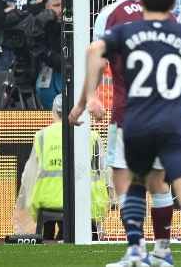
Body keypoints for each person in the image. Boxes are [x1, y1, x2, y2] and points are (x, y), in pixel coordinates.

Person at [69, 0, 181, 267]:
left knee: (133, 183)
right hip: (173, 123)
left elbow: (92, 50)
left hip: (134, 121)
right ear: (174, 3)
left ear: (142, 1)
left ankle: (136, 249)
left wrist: (89, 98)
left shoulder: (126, 30)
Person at [91, 0, 178, 267]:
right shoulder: (167, 15)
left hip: (127, 114)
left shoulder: (109, 15)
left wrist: (89, 97)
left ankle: (136, 253)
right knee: (158, 182)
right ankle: (163, 255)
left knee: (127, 182)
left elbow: (96, 59)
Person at [14, 95, 109, 240]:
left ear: (54, 112)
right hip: (85, 200)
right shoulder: (92, 136)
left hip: (47, 199)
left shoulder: (41, 136)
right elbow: (104, 173)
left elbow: (28, 176)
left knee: (49, 232)